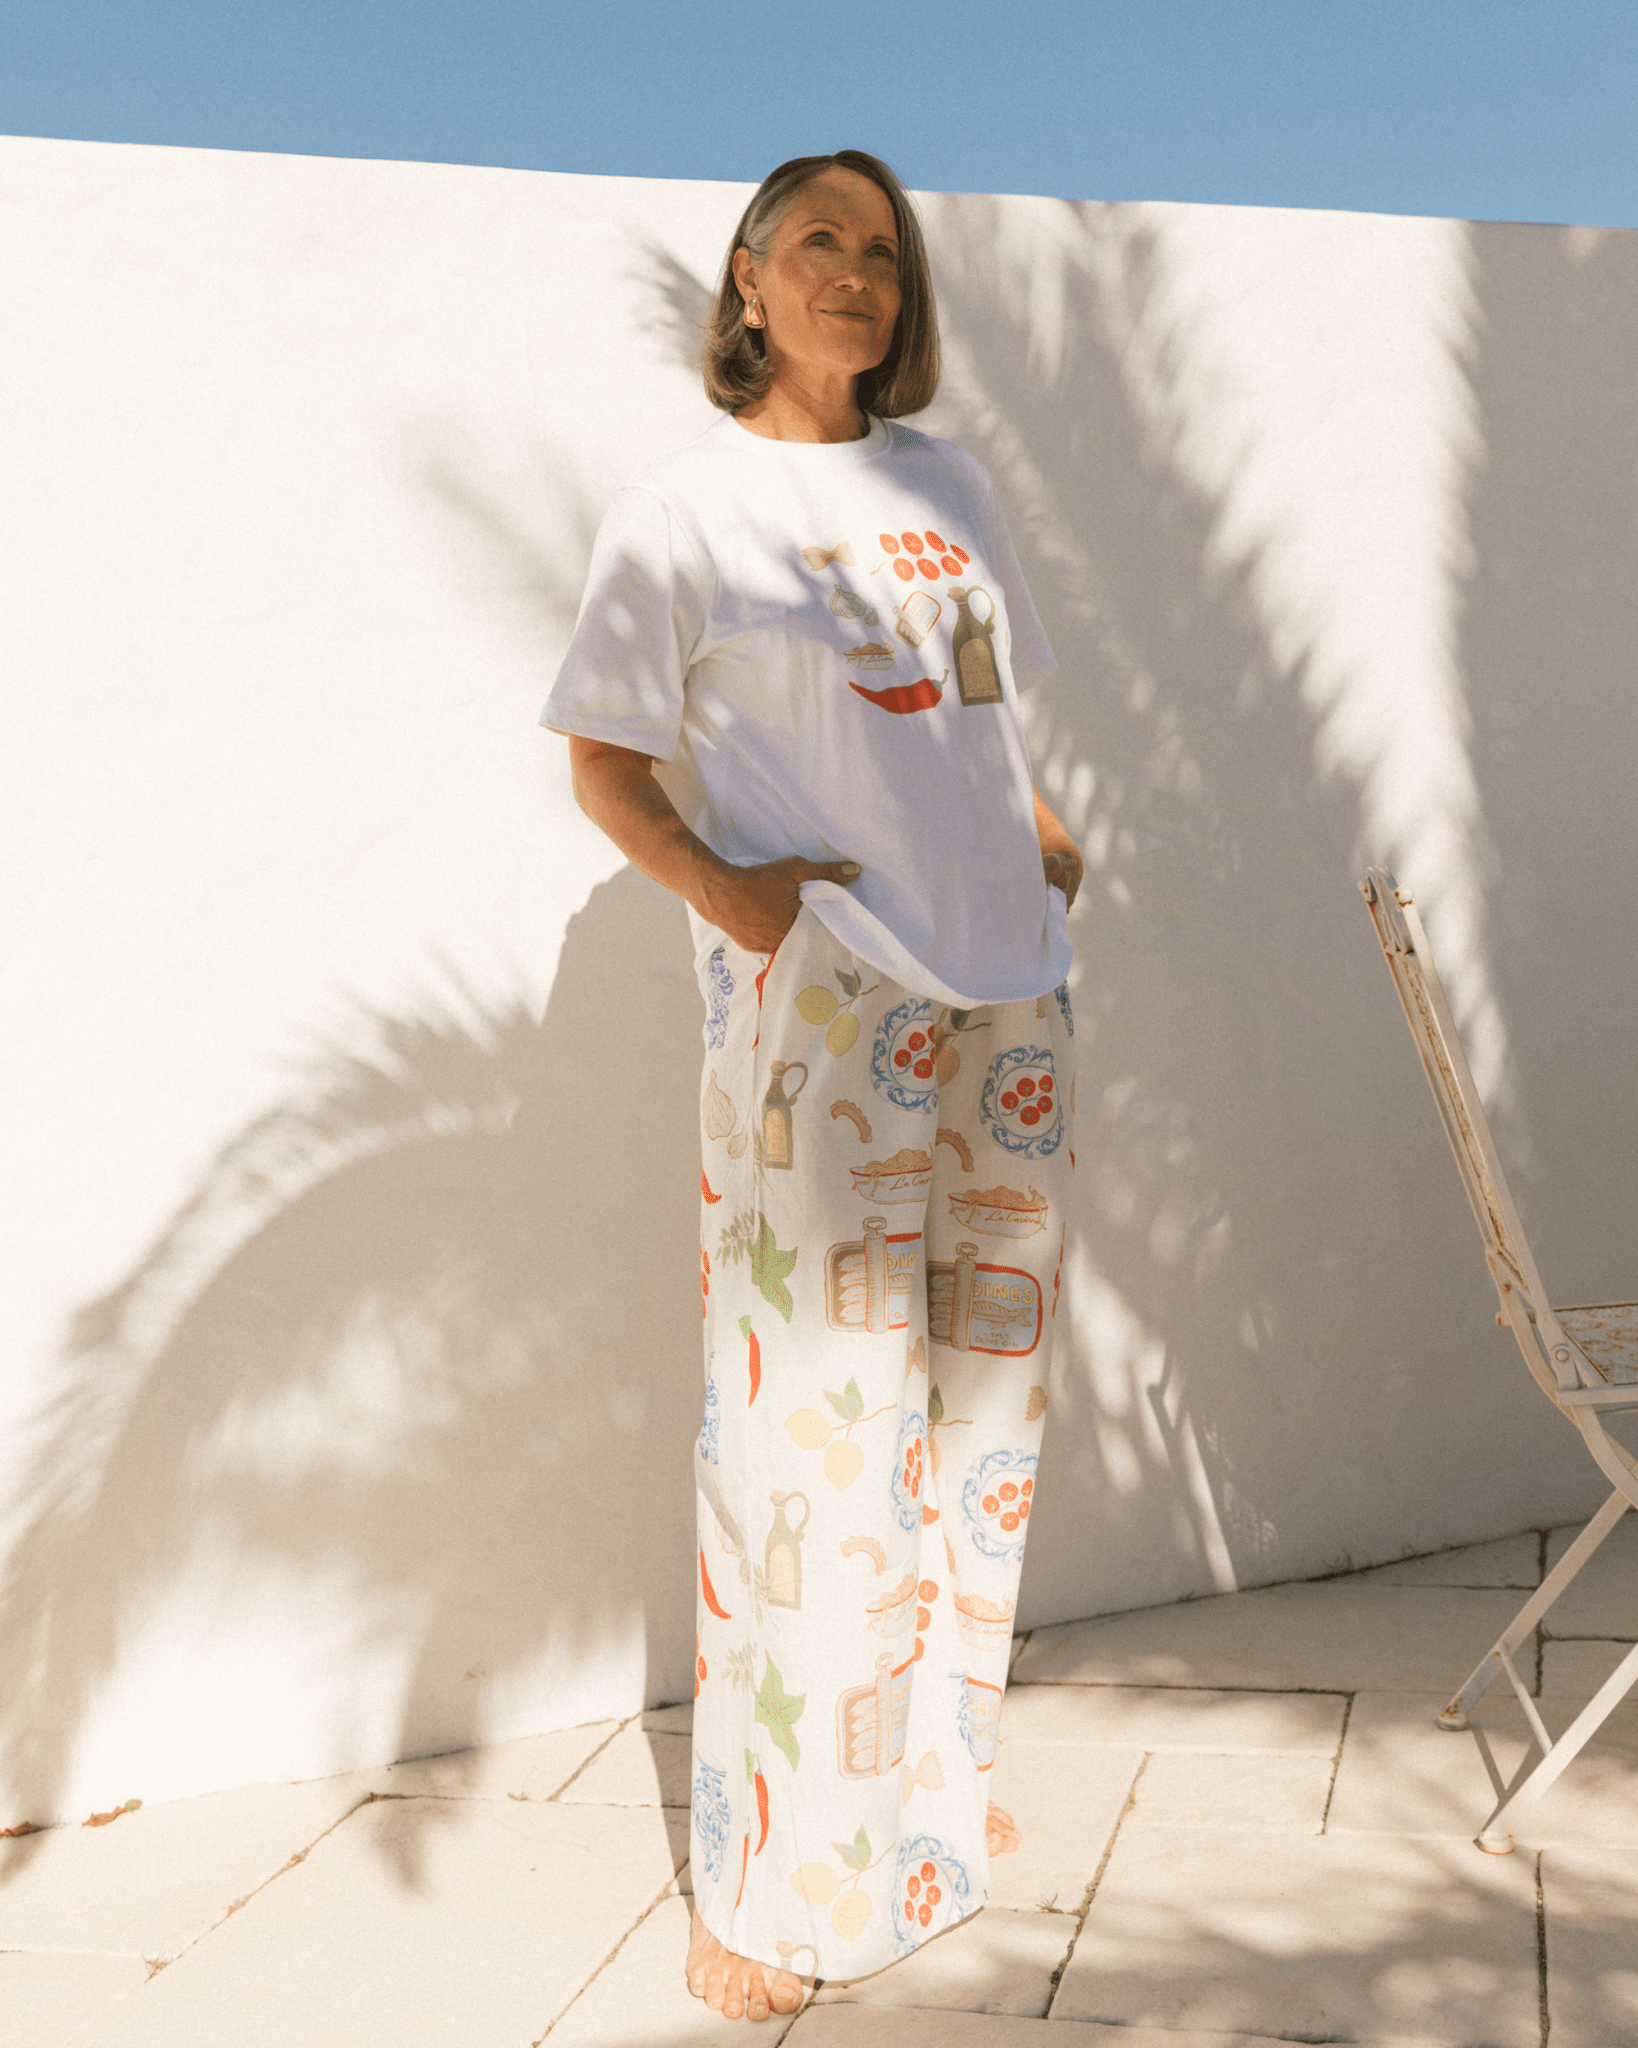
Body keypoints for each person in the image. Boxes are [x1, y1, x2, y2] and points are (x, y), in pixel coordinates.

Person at [542, 149, 1082, 2023]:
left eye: (882, 250)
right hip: (835, 994)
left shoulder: (950, 486)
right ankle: (778, 1889)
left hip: (1010, 988)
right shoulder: (683, 509)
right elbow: (605, 763)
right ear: (749, 282)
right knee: (812, 1436)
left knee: (976, 1420)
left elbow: (980, 699)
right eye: (818, 243)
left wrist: (1034, 838)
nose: (856, 270)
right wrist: (736, 900)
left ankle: (924, 1805)